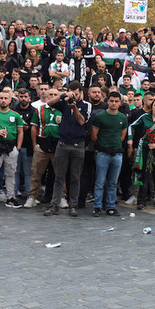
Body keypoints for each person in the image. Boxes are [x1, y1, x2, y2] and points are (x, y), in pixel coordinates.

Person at [45, 81, 91, 217]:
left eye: (76, 94)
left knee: (75, 177)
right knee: (59, 176)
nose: (74, 97)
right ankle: (54, 205)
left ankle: (73, 205)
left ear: (81, 93)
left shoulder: (86, 105)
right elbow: (49, 103)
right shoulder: (64, 102)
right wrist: (62, 95)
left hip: (78, 144)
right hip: (63, 143)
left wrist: (75, 107)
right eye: (72, 94)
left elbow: (82, 121)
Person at [128, 96, 155, 211]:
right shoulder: (144, 117)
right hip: (145, 149)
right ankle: (141, 201)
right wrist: (130, 139)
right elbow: (131, 126)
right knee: (144, 176)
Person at [91, 91, 128, 216]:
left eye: (116, 101)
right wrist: (104, 144)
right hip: (103, 153)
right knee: (100, 182)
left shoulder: (123, 118)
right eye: (111, 101)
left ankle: (110, 206)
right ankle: (97, 206)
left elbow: (122, 136)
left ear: (120, 103)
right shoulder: (100, 116)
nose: (113, 103)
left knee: (113, 183)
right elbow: (94, 136)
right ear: (107, 101)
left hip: (117, 153)